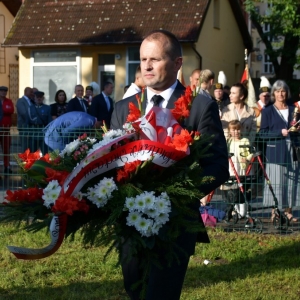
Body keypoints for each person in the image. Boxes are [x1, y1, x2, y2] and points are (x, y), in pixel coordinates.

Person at [110, 29, 229, 300]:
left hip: (174, 224)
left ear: (177, 64)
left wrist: (175, 195)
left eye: (155, 59)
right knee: (135, 292)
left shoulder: (199, 106)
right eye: (143, 59)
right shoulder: (123, 108)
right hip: (130, 222)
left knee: (160, 295)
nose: (147, 66)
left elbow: (217, 164)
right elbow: (112, 161)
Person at [259, 80, 300, 223]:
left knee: (291, 182)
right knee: (276, 182)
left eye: (283, 91)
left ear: (286, 93)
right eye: (277, 91)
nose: (280, 94)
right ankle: (275, 212)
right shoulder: (267, 111)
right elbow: (262, 133)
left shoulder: (293, 109)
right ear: (273, 94)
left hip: (292, 150)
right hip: (275, 151)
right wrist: (278, 133)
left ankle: (288, 212)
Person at [220, 120, 253, 221]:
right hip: (231, 168)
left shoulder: (245, 141)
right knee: (233, 190)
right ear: (230, 131)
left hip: (241, 169)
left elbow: (251, 152)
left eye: (238, 129)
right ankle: (236, 211)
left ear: (241, 130)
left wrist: (247, 158)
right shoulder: (228, 141)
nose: (236, 132)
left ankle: (244, 211)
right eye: (234, 130)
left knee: (241, 189)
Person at [0, 86, 14, 174]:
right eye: (2, 91)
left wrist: (3, 110)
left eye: (5, 91)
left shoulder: (9, 101)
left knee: (6, 149)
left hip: (6, 129)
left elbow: (11, 110)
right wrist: (5, 110)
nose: (3, 93)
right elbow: (7, 110)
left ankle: (7, 166)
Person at [16, 87, 35, 152]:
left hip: (31, 127)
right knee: (24, 145)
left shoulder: (31, 101)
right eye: (31, 92)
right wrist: (32, 120)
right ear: (26, 92)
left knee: (31, 145)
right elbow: (23, 113)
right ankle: (24, 161)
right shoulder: (21, 101)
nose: (32, 94)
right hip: (24, 126)